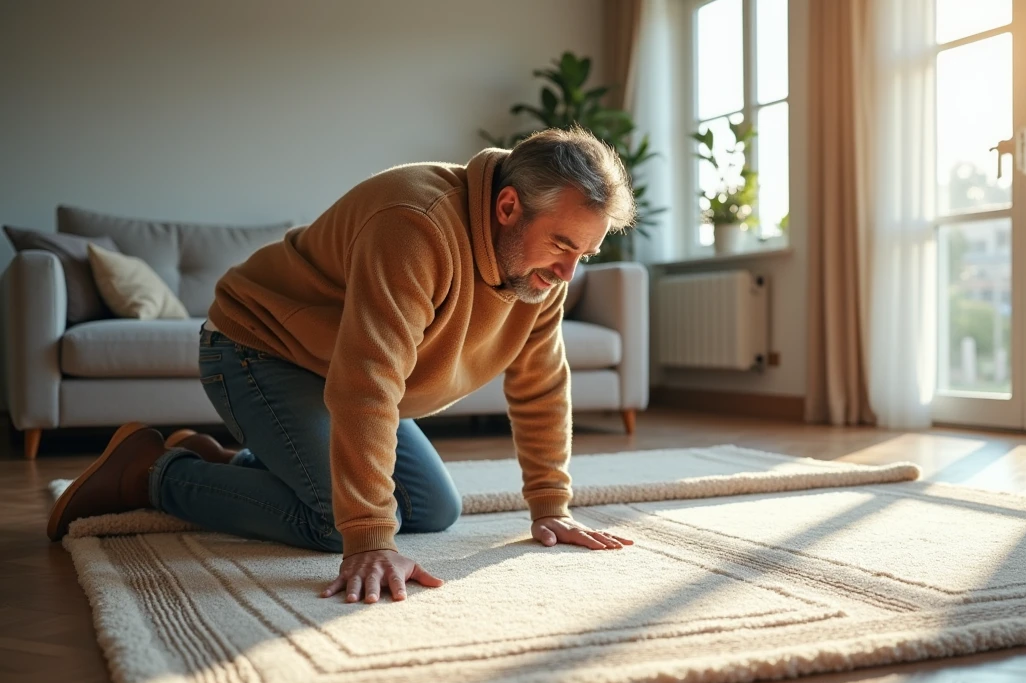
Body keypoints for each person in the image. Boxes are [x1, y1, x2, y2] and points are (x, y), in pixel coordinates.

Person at [47, 126, 636, 604]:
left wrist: (551, 503)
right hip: (260, 349)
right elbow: (367, 385)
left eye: (584, 253)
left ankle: (229, 463)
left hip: (343, 368)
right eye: (563, 246)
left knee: (432, 510)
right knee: (340, 524)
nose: (569, 273)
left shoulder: (540, 271)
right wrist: (370, 540)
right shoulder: (416, 223)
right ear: (508, 206)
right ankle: (152, 473)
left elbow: (540, 386)